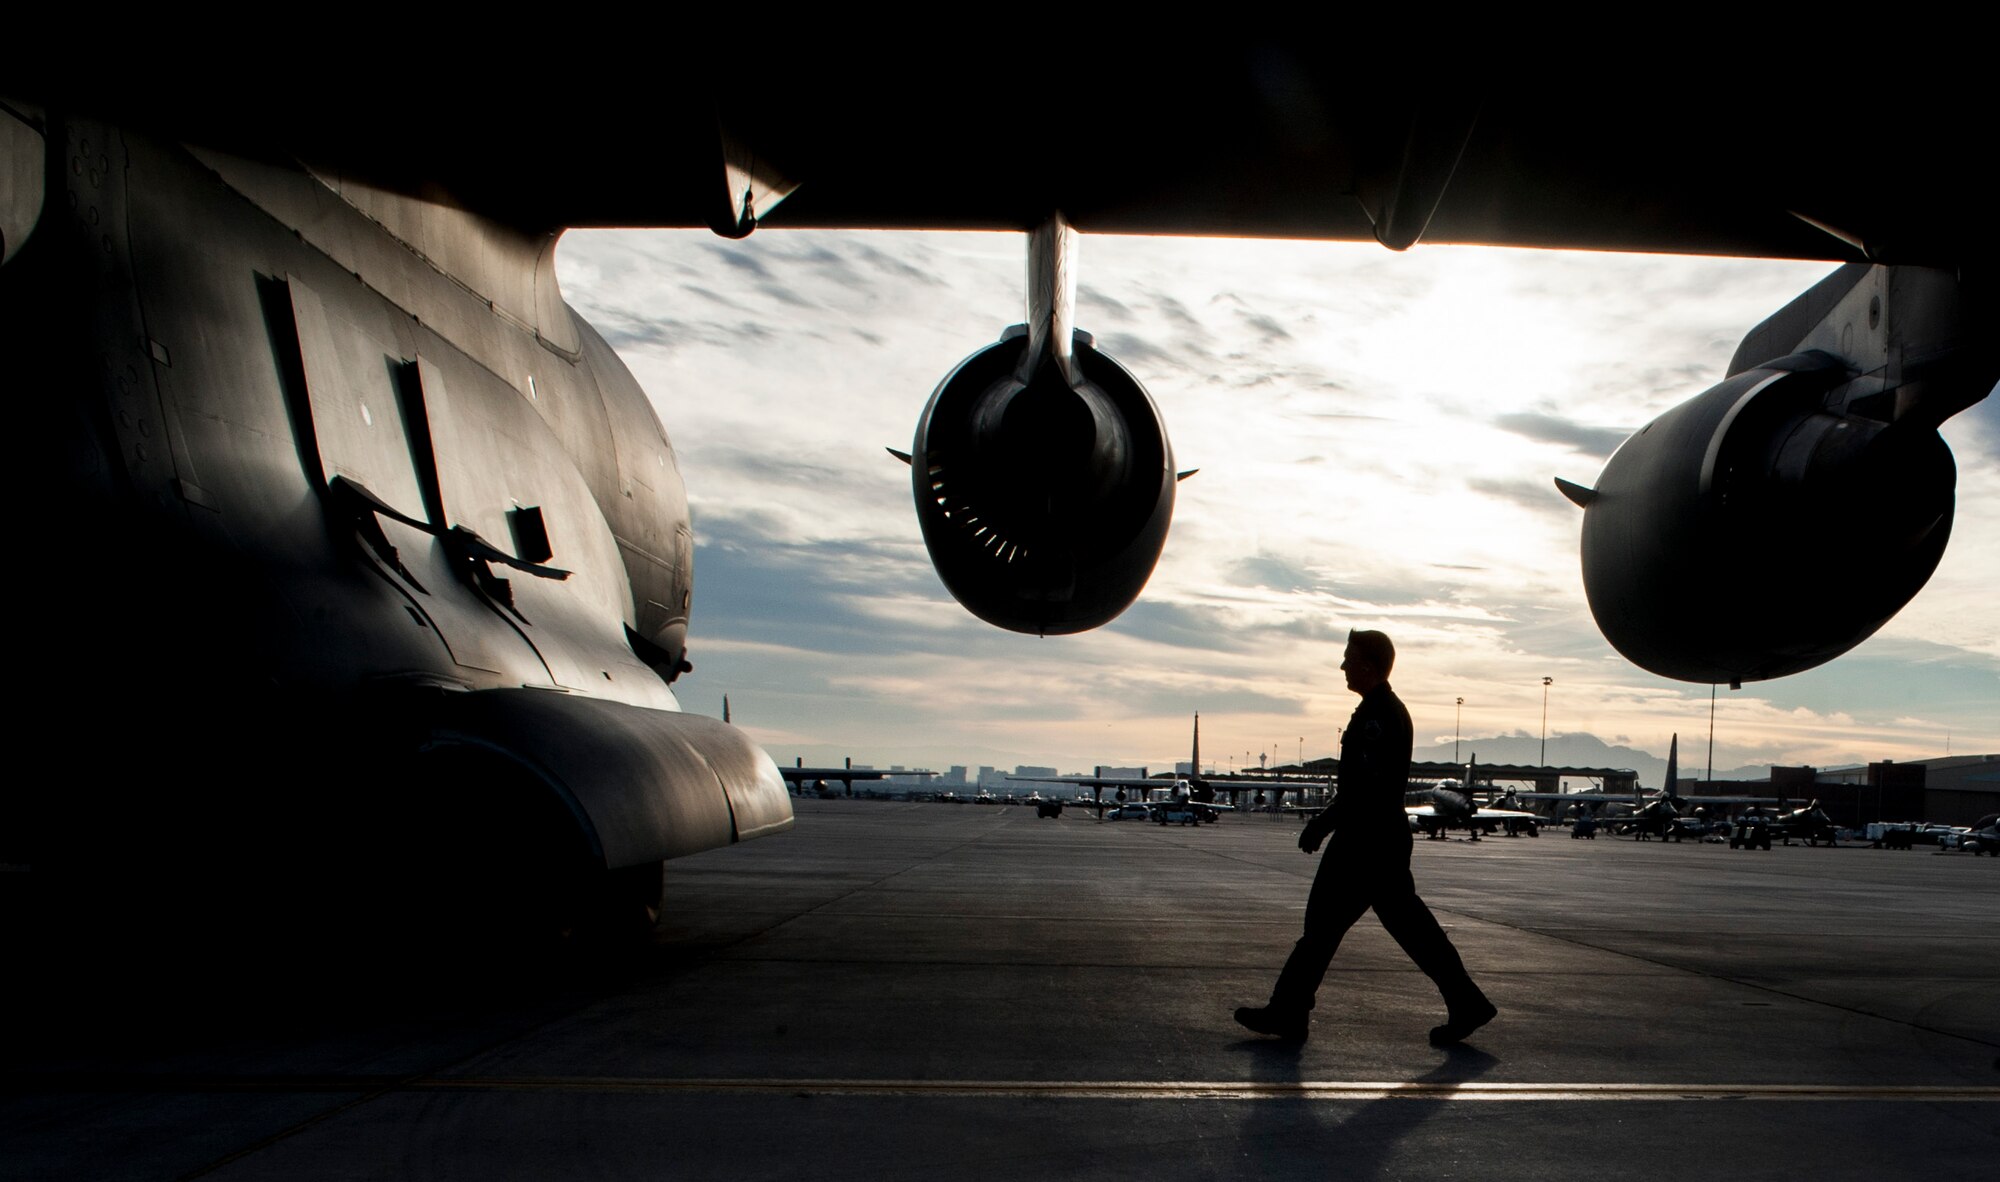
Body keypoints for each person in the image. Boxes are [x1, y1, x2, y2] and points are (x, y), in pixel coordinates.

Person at [1235, 630, 1496, 1045]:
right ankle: (1466, 1002)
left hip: (1366, 841)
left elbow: (1366, 787)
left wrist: (1322, 823)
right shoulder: (1379, 711)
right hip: (1375, 838)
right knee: (1399, 928)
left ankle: (1289, 1010)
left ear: (1368, 666)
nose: (1342, 666)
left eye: (1347, 659)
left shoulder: (1378, 718)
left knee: (1332, 928)